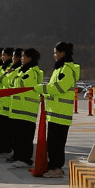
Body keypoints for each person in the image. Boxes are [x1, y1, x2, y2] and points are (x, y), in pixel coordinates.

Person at [36, 42, 80, 178]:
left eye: (56, 52)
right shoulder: (59, 69)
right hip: (54, 113)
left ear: (62, 53)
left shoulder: (67, 70)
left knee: (57, 144)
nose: (54, 55)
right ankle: (53, 166)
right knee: (52, 143)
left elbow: (58, 88)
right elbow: (53, 89)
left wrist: (40, 88)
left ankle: (57, 168)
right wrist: (45, 92)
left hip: (61, 114)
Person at [6, 48, 42, 168]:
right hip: (18, 110)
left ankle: (25, 159)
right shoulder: (22, 70)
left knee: (25, 137)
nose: (21, 59)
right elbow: (10, 81)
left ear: (29, 58)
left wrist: (14, 77)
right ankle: (18, 156)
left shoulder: (33, 71)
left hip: (27, 110)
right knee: (17, 136)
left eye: (23, 56)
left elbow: (22, 84)